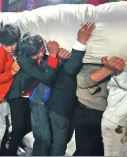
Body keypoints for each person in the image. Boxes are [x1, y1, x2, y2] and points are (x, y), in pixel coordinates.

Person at [5, 33, 59, 156]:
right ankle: (10, 151)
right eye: (36, 54)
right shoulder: (25, 61)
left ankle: (13, 141)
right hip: (17, 97)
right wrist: (52, 55)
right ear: (28, 54)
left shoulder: (29, 48)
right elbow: (46, 78)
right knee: (19, 128)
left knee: (28, 126)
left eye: (41, 50)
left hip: (26, 94)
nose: (40, 54)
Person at [47, 22, 95, 156]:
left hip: (69, 108)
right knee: (59, 145)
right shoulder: (62, 63)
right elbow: (71, 68)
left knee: (62, 140)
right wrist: (81, 41)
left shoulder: (62, 59)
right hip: (60, 109)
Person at [73, 55, 126, 156]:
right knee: (86, 151)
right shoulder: (94, 56)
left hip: (113, 115)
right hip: (90, 111)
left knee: (101, 151)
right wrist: (108, 69)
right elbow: (82, 81)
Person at [0, 24, 21, 156]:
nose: (10, 48)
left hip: (11, 97)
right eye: (6, 45)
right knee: (0, 129)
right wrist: (11, 72)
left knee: (10, 125)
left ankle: (8, 144)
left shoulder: (19, 50)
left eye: (12, 43)